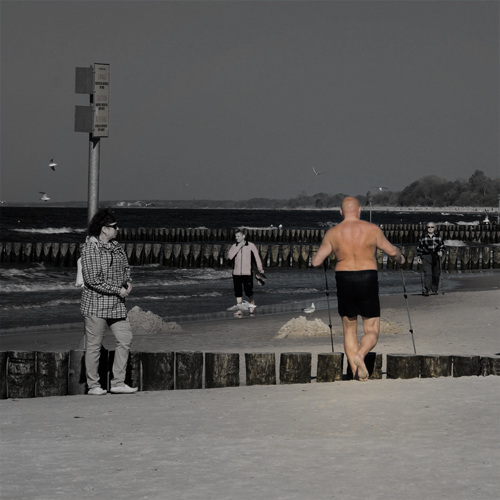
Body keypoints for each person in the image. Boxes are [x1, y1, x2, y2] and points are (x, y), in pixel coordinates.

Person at [312, 196, 405, 381]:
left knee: (349, 330)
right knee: (372, 329)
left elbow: (316, 261)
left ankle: (356, 373)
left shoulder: (333, 232)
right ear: (360, 210)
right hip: (367, 278)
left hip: (344, 278)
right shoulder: (372, 229)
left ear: (340, 212)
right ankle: (361, 355)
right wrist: (401, 259)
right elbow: (393, 252)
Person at [80, 208, 138, 395]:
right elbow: (92, 279)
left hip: (117, 304)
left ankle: (118, 382)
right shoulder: (90, 248)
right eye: (114, 227)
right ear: (104, 229)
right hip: (96, 304)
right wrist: (117, 289)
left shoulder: (116, 246)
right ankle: (93, 385)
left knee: (125, 339)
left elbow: (125, 267)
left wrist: (127, 283)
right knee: (94, 345)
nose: (117, 229)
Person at [227, 229, 265, 313]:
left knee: (248, 291)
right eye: (236, 236)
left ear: (243, 236)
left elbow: (257, 258)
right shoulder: (234, 246)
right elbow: (230, 256)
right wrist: (239, 246)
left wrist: (260, 270)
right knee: (238, 292)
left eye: (238, 236)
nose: (236, 238)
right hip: (236, 273)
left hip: (247, 273)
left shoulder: (251, 246)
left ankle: (252, 301)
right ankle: (239, 310)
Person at [416, 222, 445, 296]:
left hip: (435, 256)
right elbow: (419, 248)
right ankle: (427, 290)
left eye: (432, 227)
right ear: (426, 228)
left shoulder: (439, 237)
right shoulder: (423, 237)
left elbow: (442, 246)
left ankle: (434, 290)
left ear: (435, 228)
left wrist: (441, 252)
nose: (430, 228)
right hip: (426, 256)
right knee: (428, 273)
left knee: (436, 274)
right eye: (429, 227)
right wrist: (419, 258)